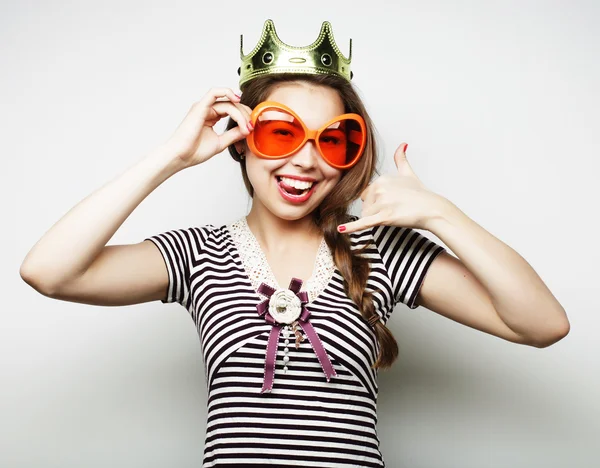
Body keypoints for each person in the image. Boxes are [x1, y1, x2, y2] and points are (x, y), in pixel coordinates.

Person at [20, 19, 569, 468]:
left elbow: (543, 324)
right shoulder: (195, 255)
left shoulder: (380, 253)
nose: (306, 160)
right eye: (282, 133)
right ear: (242, 140)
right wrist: (172, 157)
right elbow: (51, 271)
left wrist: (441, 215)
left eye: (333, 141)